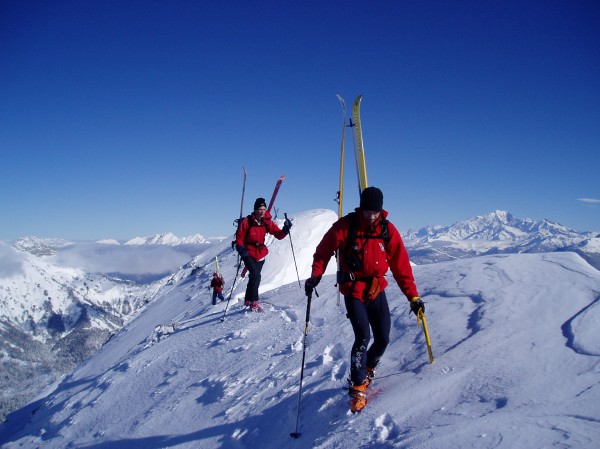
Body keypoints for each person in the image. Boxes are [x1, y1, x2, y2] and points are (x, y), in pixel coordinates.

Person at [304, 186, 424, 413]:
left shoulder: (387, 230)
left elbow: (401, 267)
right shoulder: (346, 226)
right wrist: (316, 275)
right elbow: (323, 251)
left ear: (381, 210)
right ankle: (357, 386)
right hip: (353, 290)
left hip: (376, 289)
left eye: (375, 212)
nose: (371, 216)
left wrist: (413, 297)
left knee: (384, 338)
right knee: (362, 336)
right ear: (362, 207)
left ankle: (367, 369)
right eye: (368, 211)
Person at [235, 197, 292, 311]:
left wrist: (286, 228)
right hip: (248, 253)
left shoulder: (267, 222)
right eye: (260, 209)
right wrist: (242, 250)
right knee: (256, 276)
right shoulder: (247, 222)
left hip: (261, 254)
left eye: (264, 209)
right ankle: (254, 302)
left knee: (254, 277)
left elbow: (279, 235)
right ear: (255, 210)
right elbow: (239, 238)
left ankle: (247, 298)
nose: (262, 211)